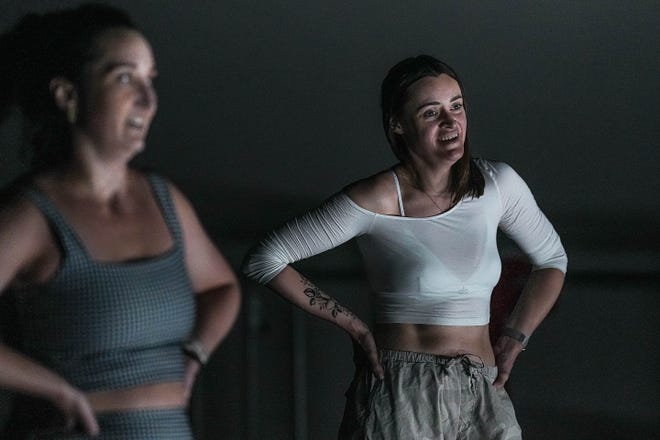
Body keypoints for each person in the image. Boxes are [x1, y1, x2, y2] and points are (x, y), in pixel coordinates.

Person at [243, 55, 567, 439]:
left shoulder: (498, 185)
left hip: (483, 388)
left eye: (457, 106)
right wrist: (351, 325)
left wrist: (516, 336)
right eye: (432, 113)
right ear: (398, 124)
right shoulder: (377, 198)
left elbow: (551, 259)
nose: (451, 122)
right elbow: (265, 259)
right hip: (403, 391)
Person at [0, 4, 241, 438]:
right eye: (125, 78)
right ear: (68, 95)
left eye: (151, 80)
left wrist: (196, 353)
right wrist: (55, 390)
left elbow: (222, 288)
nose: (148, 101)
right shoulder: (31, 216)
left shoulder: (165, 200)